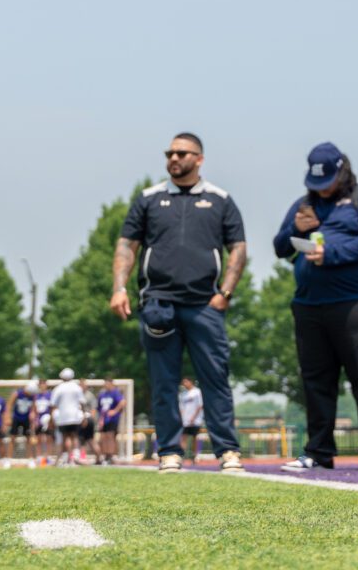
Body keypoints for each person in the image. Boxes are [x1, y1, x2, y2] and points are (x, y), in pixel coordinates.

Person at [111, 132, 247, 474]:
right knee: (163, 382)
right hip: (159, 302)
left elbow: (239, 250)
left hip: (205, 305)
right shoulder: (149, 199)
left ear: (199, 158)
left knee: (215, 378)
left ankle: (227, 451)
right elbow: (127, 245)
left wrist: (225, 293)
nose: (174, 158)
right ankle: (169, 452)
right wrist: (119, 287)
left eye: (182, 153)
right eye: (169, 153)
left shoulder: (220, 200)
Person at [274, 143, 358, 473]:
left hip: (357, 302)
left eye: (327, 181)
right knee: (316, 381)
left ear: (342, 172)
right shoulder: (304, 205)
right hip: (309, 305)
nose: (321, 189)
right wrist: (296, 230)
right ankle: (318, 451)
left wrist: (331, 252)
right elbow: (280, 248)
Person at [50, 368, 86, 466]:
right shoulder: (77, 387)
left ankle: (67, 457)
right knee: (74, 436)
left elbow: (53, 405)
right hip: (75, 416)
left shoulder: (58, 388)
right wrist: (84, 416)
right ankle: (74, 458)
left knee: (65, 437)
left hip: (63, 417)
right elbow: (82, 403)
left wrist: (51, 419)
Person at [5, 382, 37, 468]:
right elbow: (9, 405)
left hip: (26, 420)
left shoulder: (32, 396)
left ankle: (30, 460)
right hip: (16, 418)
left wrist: (33, 413)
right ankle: (8, 460)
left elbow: (34, 407)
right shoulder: (17, 394)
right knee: (12, 438)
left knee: (29, 439)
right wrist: (8, 417)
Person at [97, 378, 125, 465]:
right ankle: (106, 455)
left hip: (112, 419)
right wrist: (100, 419)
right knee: (103, 437)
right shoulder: (102, 394)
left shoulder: (115, 393)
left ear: (111, 384)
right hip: (104, 420)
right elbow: (99, 409)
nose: (106, 385)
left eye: (107, 383)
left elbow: (123, 402)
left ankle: (112, 455)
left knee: (111, 436)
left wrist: (115, 411)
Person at [178, 378, 205, 463]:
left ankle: (195, 456)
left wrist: (194, 417)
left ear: (191, 382)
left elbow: (200, 405)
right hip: (185, 421)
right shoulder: (183, 394)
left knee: (195, 438)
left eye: (186, 382)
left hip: (195, 420)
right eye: (183, 382)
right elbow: (181, 408)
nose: (184, 384)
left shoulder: (197, 392)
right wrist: (182, 418)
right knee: (183, 437)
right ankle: (182, 455)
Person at [78, 379, 100, 464]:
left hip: (87, 420)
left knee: (90, 440)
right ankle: (83, 458)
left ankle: (98, 458)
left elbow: (94, 409)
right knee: (81, 441)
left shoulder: (89, 396)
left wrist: (88, 420)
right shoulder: (78, 395)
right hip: (80, 420)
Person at [33, 378, 53, 464]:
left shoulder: (50, 395)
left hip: (47, 419)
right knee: (38, 438)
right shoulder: (36, 396)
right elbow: (34, 409)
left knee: (48, 438)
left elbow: (52, 408)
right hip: (38, 420)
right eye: (40, 384)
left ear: (46, 385)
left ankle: (48, 457)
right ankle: (39, 457)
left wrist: (51, 420)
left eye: (44, 384)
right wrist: (34, 420)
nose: (42, 386)